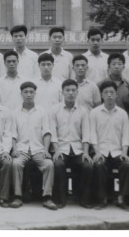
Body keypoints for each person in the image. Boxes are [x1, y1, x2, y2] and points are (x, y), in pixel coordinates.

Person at [10, 82, 57, 210]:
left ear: (35, 93)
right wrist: (14, 149)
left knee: (49, 164)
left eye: (31, 92)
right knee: (16, 164)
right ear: (21, 94)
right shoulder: (15, 113)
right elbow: (12, 134)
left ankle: (47, 197)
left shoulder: (42, 112)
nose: (29, 95)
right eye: (26, 92)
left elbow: (47, 132)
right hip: (21, 149)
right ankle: (17, 197)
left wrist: (46, 150)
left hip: (38, 149)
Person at [49, 79, 93, 209]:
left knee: (87, 166)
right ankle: (60, 199)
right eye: (67, 90)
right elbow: (53, 133)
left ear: (77, 92)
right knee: (58, 164)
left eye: (73, 90)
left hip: (78, 149)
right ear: (62, 92)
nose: (70, 93)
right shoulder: (54, 110)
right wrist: (56, 150)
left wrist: (86, 152)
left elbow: (86, 133)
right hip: (61, 149)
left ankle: (84, 199)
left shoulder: (83, 111)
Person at [89, 81, 129, 210]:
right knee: (99, 165)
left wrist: (124, 153)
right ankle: (102, 199)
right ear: (101, 95)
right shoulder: (94, 113)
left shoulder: (122, 114)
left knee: (127, 165)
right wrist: (97, 152)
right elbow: (93, 136)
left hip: (117, 152)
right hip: (101, 151)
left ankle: (122, 198)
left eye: (112, 92)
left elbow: (125, 137)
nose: (109, 95)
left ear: (116, 95)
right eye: (106, 92)